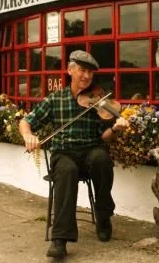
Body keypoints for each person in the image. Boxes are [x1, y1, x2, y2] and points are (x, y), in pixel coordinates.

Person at [19, 50, 128, 259]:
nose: (86, 76)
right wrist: (28, 135)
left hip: (90, 150)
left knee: (101, 158)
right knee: (66, 171)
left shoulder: (98, 101)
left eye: (90, 72)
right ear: (70, 70)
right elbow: (26, 121)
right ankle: (60, 239)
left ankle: (103, 215)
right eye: (82, 70)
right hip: (64, 153)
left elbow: (104, 137)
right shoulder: (55, 99)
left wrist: (115, 130)